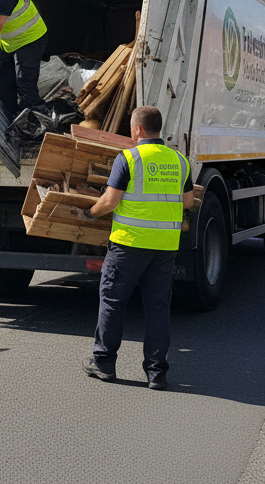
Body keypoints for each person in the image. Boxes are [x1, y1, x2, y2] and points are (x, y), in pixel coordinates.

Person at [80, 106, 196, 391]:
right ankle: (156, 373)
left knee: (113, 302)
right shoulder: (180, 160)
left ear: (137, 129)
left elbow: (110, 201)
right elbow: (189, 202)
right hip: (165, 247)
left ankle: (104, 363)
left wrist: (91, 213)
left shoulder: (129, 158)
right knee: (158, 308)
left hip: (128, 245)